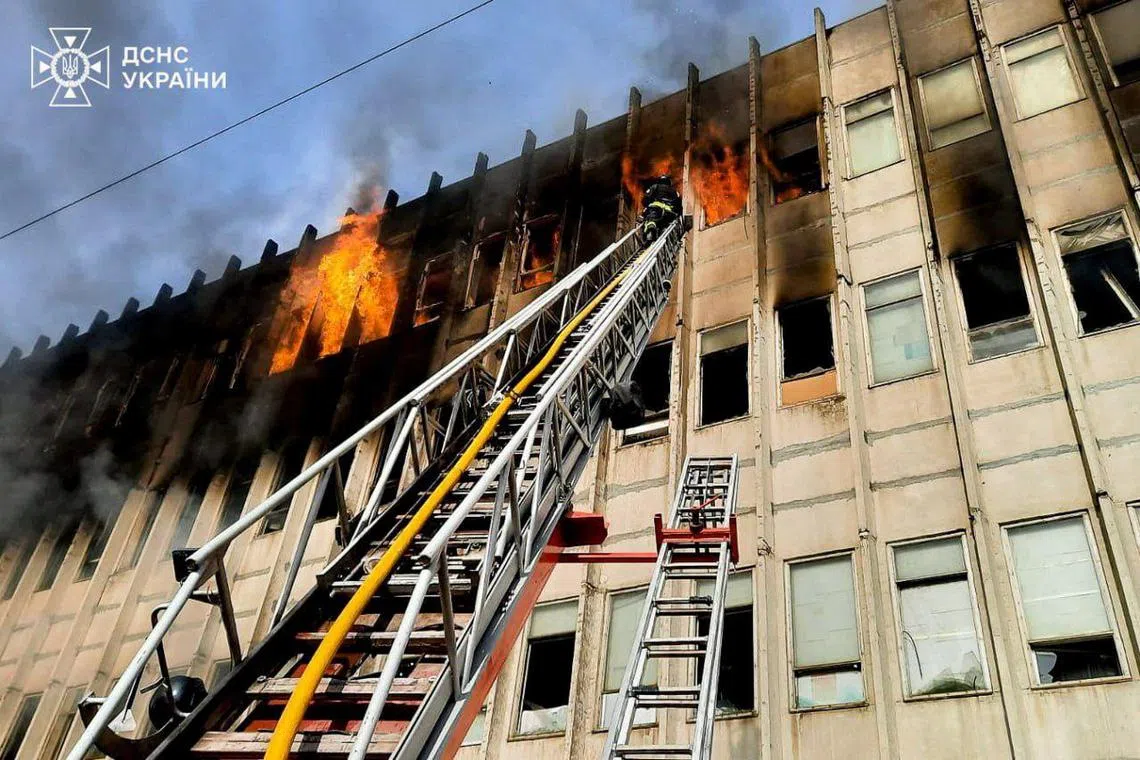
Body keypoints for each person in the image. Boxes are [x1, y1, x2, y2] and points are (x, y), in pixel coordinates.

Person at [638, 175, 683, 245]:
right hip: (669, 212)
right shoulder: (674, 191)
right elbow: (678, 204)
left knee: (650, 219)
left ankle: (650, 231)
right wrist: (677, 214)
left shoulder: (655, 187)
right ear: (668, 182)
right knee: (667, 224)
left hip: (656, 209)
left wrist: (647, 205)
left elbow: (645, 198)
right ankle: (669, 237)